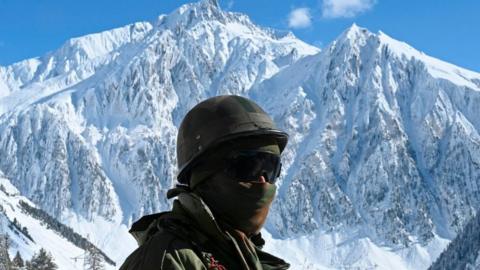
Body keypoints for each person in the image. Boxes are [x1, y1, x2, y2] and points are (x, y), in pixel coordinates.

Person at [120, 95, 290, 270]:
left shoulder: (251, 260)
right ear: (205, 175)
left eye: (271, 169)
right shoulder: (168, 259)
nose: (263, 181)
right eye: (248, 167)